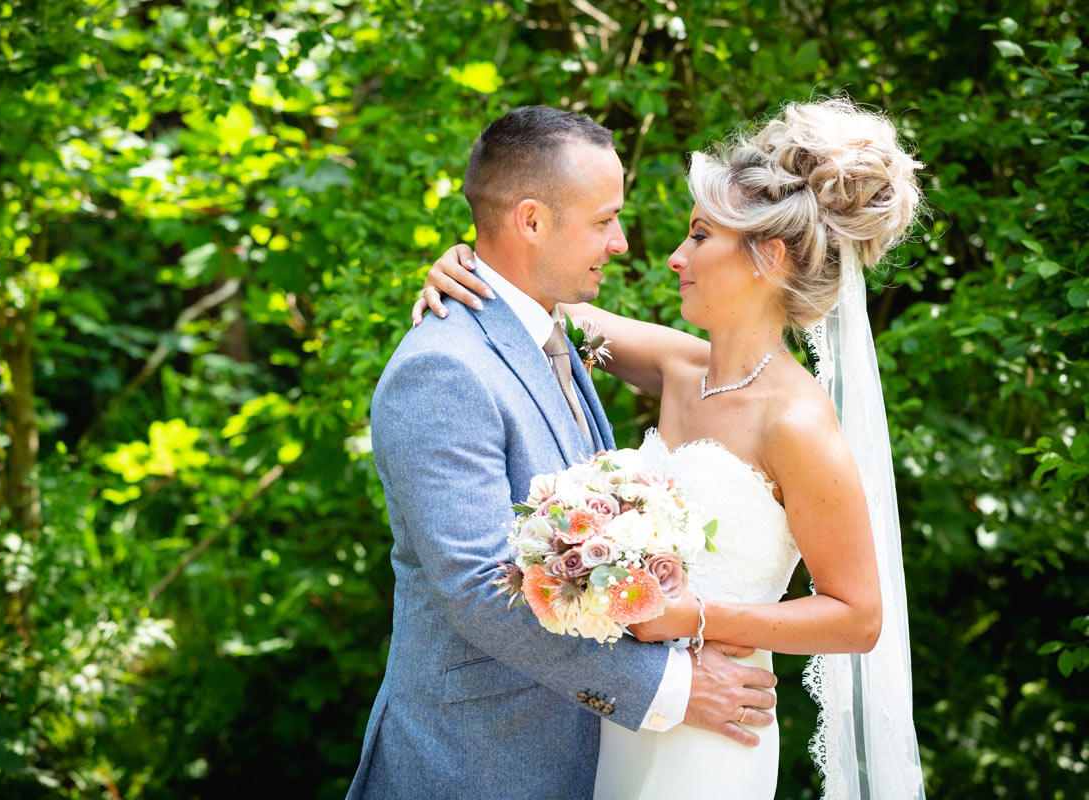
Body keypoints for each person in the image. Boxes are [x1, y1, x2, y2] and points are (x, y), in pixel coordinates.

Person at [417, 98, 927, 799]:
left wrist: (698, 617)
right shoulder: (681, 367)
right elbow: (535, 300)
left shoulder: (797, 422)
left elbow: (859, 616)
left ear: (766, 257)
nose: (674, 256)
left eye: (700, 236)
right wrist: (460, 263)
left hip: (714, 727)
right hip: (618, 722)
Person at [348, 106, 778, 800]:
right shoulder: (443, 370)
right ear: (531, 221)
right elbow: (481, 590)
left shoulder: (551, 330)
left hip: (588, 754)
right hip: (475, 764)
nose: (623, 243)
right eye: (605, 219)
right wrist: (671, 689)